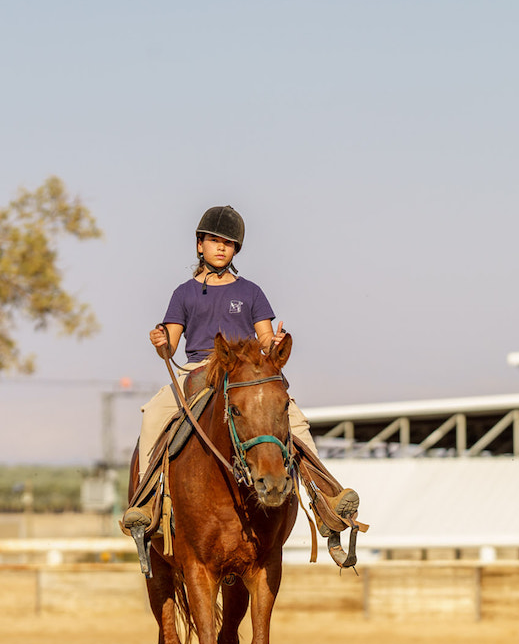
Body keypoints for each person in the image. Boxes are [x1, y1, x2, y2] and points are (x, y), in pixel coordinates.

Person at [122, 204, 358, 537]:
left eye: (228, 243)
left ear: (236, 249)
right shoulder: (183, 293)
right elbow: (170, 347)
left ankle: (326, 500)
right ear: (199, 245)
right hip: (200, 369)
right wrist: (160, 340)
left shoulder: (251, 292)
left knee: (296, 420)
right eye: (214, 240)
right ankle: (147, 504)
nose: (221, 247)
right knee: (152, 415)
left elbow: (264, 338)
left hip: (245, 373)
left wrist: (273, 342)